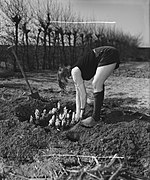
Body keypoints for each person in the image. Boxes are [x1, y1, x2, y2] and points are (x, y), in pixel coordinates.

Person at [71, 46, 120, 128]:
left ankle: (95, 118)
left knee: (96, 83)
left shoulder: (75, 72)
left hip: (107, 54)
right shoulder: (76, 70)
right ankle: (98, 110)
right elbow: (78, 94)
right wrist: (77, 112)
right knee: (98, 83)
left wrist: (82, 111)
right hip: (105, 54)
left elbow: (83, 94)